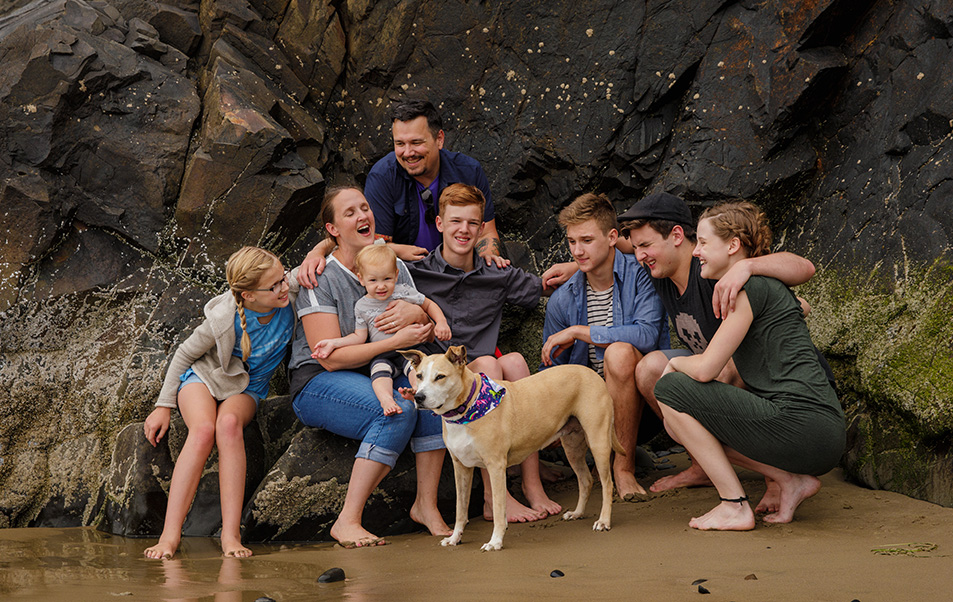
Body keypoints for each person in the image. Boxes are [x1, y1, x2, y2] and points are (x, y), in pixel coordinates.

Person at [619, 192, 825, 508]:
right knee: (649, 370)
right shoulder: (660, 266)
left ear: (676, 236)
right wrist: (573, 266)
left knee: (729, 366)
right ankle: (702, 465)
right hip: (710, 364)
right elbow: (615, 244)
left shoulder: (712, 271)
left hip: (768, 379)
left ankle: (776, 477)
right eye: (635, 248)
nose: (638, 256)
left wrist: (748, 268)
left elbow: (803, 283)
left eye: (644, 246)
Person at [289, 186, 451, 548]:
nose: (363, 215)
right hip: (318, 381)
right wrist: (395, 340)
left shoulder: (394, 266)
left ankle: (426, 506)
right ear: (332, 229)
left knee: (427, 401)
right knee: (394, 413)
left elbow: (421, 329)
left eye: (365, 207)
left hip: (382, 370)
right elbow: (328, 358)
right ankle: (347, 520)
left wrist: (418, 313)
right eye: (350, 212)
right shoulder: (318, 278)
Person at [407, 183, 562, 523]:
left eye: (472, 223)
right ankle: (495, 497)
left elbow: (544, 286)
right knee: (491, 362)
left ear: (481, 229)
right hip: (436, 374)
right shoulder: (416, 274)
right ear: (439, 224)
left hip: (480, 367)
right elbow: (367, 269)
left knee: (517, 361)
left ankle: (532, 485)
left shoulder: (496, 272)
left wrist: (579, 267)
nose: (463, 230)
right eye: (456, 221)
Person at [143, 246, 296, 559]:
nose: (285, 286)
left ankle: (230, 535)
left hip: (246, 389)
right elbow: (185, 354)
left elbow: (322, 257)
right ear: (248, 295)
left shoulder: (289, 297)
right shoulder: (225, 318)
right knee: (202, 432)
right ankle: (169, 536)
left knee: (227, 425)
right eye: (275, 285)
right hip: (204, 379)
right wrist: (163, 405)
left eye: (283, 278)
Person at [539, 193, 669, 499]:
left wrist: (581, 332)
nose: (577, 251)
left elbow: (647, 335)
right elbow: (554, 371)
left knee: (620, 352)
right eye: (571, 242)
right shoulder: (563, 299)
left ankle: (622, 471)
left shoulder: (641, 276)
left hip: (644, 405)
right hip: (588, 414)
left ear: (612, 237)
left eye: (586, 240)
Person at [298, 99, 505, 287]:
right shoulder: (383, 176)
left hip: (461, 270)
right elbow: (367, 241)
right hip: (404, 278)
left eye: (416, 143)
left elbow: (486, 232)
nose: (408, 153)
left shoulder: (468, 170)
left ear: (439, 139)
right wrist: (317, 251)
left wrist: (488, 258)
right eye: (400, 144)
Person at [311, 243, 452, 416]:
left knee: (416, 369)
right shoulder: (361, 306)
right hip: (383, 354)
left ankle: (416, 391)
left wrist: (441, 322)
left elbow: (428, 304)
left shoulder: (403, 291)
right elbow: (358, 336)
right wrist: (334, 343)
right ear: (361, 279)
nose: (381, 286)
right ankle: (386, 400)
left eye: (387, 279)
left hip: (409, 350)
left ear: (396, 275)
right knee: (378, 373)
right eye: (373, 280)